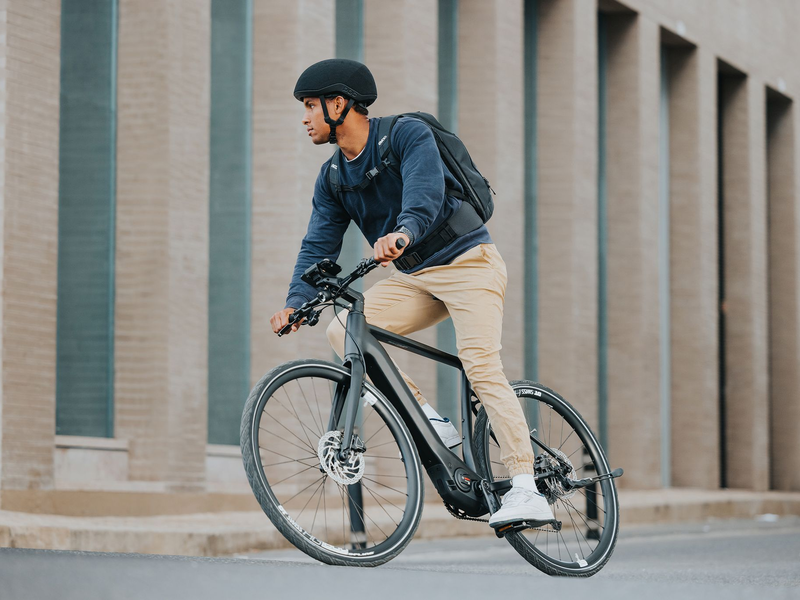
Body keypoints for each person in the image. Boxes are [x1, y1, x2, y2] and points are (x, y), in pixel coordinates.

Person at [270, 58, 553, 528]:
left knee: (481, 363)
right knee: (345, 331)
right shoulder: (334, 177)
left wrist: (403, 231)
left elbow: (424, 193)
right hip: (416, 278)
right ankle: (427, 417)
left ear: (338, 104)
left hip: (469, 264)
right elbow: (318, 243)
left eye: (309, 106)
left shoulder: (405, 134)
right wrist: (296, 304)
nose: (304, 118)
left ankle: (526, 487)